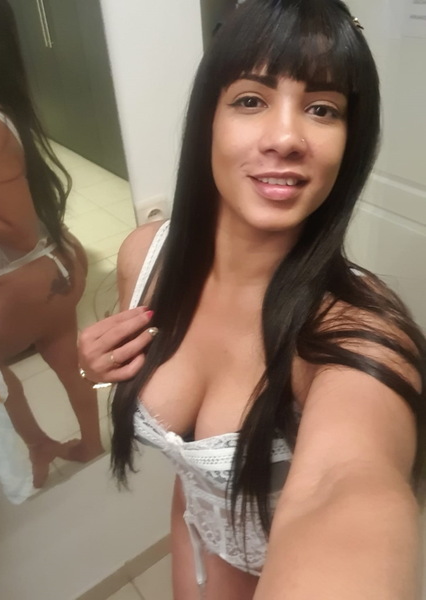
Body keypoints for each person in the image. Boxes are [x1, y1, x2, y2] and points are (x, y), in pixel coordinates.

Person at [78, 0, 426, 598]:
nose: (286, 138)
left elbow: (343, 487)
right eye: (250, 100)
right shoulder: (146, 255)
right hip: (194, 531)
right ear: (208, 120)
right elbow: (192, 458)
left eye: (322, 109)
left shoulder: (357, 335)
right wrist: (97, 367)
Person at [0, 0, 103, 488]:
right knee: (66, 360)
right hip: (54, 263)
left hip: (23, 276)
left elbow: (18, 232)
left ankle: (39, 445)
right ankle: (91, 444)